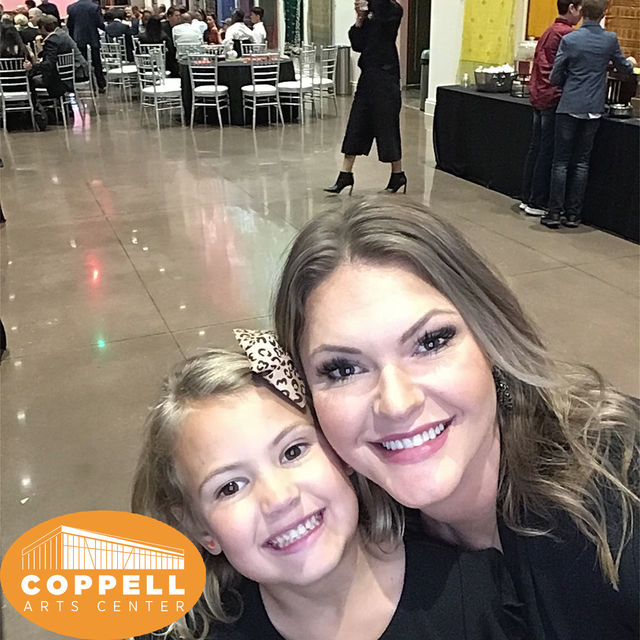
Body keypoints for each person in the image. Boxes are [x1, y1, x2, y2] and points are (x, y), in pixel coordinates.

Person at [274, 198, 640, 640]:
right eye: (343, 369)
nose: (396, 403)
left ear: (491, 337)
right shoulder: (338, 525)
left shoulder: (622, 493)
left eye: (430, 342)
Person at [132, 343, 523, 640]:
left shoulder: (477, 597)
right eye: (230, 487)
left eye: (293, 451)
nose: (279, 498)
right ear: (201, 528)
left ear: (339, 451)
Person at [542, 0, 637, 229]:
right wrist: (629, 62)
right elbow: (624, 68)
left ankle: (554, 213)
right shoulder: (609, 39)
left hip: (569, 106)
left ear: (582, 12)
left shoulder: (570, 39)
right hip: (593, 108)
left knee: (560, 162)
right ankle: (573, 215)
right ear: (603, 13)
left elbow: (555, 76)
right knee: (581, 162)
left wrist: (569, 82)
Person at [325, 0, 405, 195]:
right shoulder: (370, 14)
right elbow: (358, 45)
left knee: (387, 126)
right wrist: (360, 19)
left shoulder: (392, 9)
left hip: (386, 76)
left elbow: (383, 25)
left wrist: (369, 10)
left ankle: (397, 174)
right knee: (357, 122)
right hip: (368, 76)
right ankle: (345, 174)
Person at [519, 0, 583, 218]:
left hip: (538, 94)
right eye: (580, 9)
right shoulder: (566, 34)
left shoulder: (550, 30)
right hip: (552, 97)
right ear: (572, 8)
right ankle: (537, 201)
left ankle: (527, 197)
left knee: (536, 148)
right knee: (547, 151)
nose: (581, 15)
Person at [24, 15, 73, 98]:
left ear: (43, 28)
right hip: (66, 76)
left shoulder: (51, 41)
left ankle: (35, 104)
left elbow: (49, 64)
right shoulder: (59, 37)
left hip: (57, 79)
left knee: (30, 79)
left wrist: (33, 66)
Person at [66, 0, 106, 91]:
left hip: (79, 38)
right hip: (93, 37)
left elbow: (70, 25)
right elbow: (99, 23)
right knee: (97, 62)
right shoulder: (94, 7)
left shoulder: (71, 7)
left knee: (83, 62)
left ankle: (88, 84)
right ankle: (101, 84)